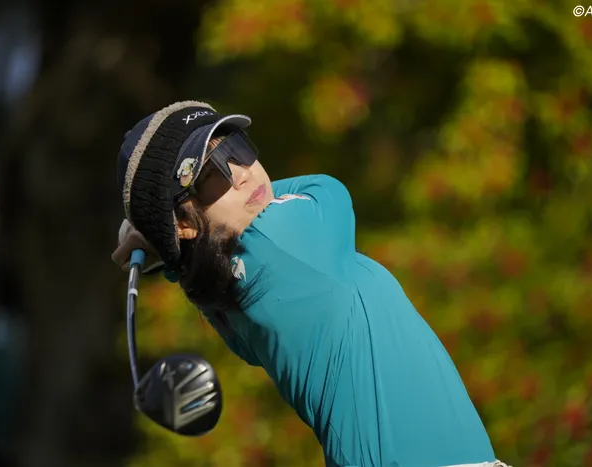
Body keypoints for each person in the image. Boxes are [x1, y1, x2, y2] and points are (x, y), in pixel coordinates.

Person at [112, 101, 509, 467]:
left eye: (237, 149)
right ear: (182, 221)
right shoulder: (281, 240)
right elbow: (327, 188)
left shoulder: (224, 298)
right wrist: (165, 238)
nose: (243, 173)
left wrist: (168, 242)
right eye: (214, 173)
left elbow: (202, 252)